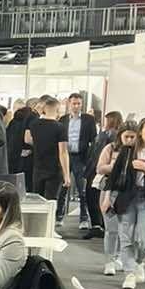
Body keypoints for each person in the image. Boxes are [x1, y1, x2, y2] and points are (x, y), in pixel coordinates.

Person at [95, 117, 145, 289]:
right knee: (126, 237)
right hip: (127, 198)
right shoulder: (128, 151)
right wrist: (107, 198)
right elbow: (113, 177)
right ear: (140, 132)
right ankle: (129, 274)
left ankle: (139, 262)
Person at [58, 92, 98, 231]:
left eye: (78, 104)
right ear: (69, 104)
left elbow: (94, 140)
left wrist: (90, 158)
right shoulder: (62, 120)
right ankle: (59, 216)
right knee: (63, 187)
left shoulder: (89, 120)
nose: (76, 106)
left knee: (82, 189)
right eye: (74, 103)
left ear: (82, 104)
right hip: (65, 155)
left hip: (81, 157)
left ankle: (84, 218)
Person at [84, 110, 123, 239]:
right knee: (96, 198)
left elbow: (96, 153)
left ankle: (97, 225)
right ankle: (100, 225)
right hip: (97, 170)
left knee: (94, 197)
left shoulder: (110, 135)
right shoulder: (107, 134)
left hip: (99, 172)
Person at [25, 95, 69, 204]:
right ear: (57, 110)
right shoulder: (60, 127)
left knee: (37, 200)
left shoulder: (34, 124)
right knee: (51, 202)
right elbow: (63, 152)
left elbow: (27, 139)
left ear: (44, 109)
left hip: (38, 168)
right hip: (54, 169)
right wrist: (66, 175)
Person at [6, 97, 38, 184]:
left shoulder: (13, 121)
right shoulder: (32, 119)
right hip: (26, 158)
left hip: (11, 156)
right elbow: (28, 139)